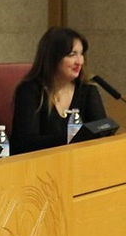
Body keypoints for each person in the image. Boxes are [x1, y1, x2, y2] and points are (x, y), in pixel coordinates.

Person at [11, 26, 107, 154]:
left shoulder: (87, 91)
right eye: (72, 55)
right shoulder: (29, 91)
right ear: (53, 58)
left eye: (81, 54)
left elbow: (101, 133)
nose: (80, 61)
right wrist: (73, 138)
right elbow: (26, 143)